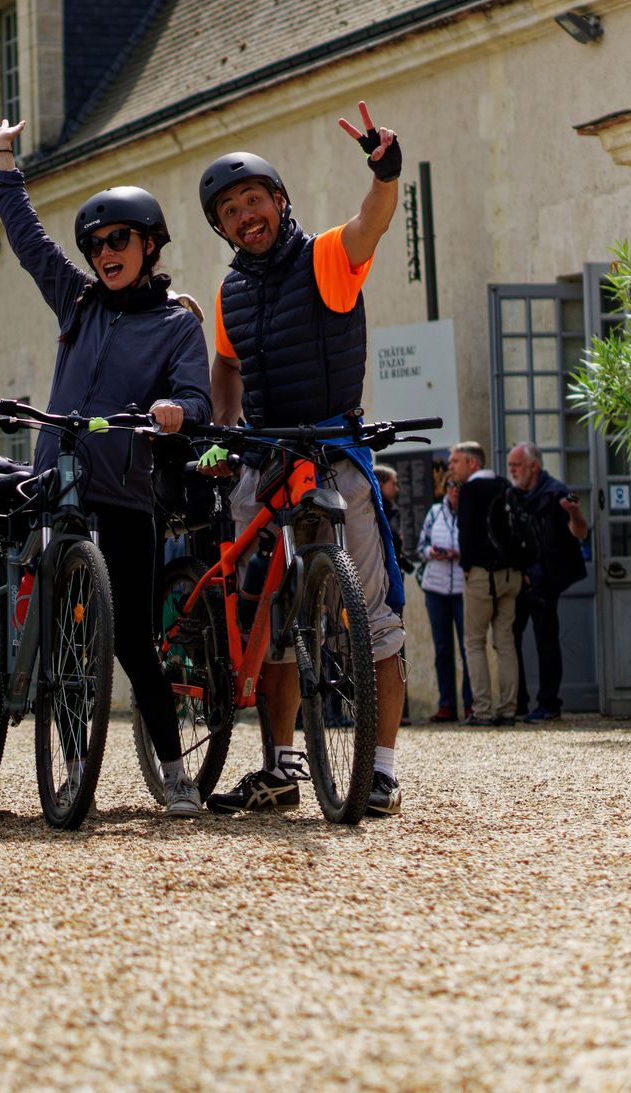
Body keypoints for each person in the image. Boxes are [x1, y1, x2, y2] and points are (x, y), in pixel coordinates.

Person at [0, 119, 214, 816]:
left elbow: (197, 393)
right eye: (97, 243)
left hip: (127, 491)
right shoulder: (78, 302)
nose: (106, 251)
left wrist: (176, 407)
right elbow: (27, 241)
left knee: (135, 640)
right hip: (60, 483)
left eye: (119, 240)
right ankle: (72, 759)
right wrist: (2, 162)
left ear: (149, 246)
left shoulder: (176, 323)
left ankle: (174, 771)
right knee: (59, 636)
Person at [199, 101, 411, 816]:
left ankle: (379, 770)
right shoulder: (230, 289)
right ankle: (281, 767)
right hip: (264, 458)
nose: (244, 215)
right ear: (222, 226)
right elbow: (226, 367)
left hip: (331, 451)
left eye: (253, 199)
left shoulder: (325, 256)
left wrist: (385, 171)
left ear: (279, 201)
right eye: (229, 209)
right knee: (271, 621)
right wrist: (223, 432)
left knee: (374, 620)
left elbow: (370, 223)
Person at [505, 442, 590, 721]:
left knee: (546, 641)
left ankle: (549, 704)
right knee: (510, 637)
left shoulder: (556, 493)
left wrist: (574, 513)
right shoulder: (513, 496)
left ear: (534, 466)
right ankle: (518, 701)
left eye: (517, 465)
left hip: (547, 580)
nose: (512, 470)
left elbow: (579, 533)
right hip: (521, 578)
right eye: (511, 465)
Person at [451, 442, 519, 725]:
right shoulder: (505, 484)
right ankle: (508, 710)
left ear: (472, 463)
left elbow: (466, 534)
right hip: (511, 574)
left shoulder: (470, 490)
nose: (451, 467)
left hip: (481, 574)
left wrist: (466, 567)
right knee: (505, 642)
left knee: (474, 642)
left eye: (455, 461)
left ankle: (481, 710)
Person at [417, 480, 470, 722]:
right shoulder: (435, 512)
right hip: (436, 588)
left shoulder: (469, 512)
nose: (454, 490)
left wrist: (457, 552)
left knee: (468, 648)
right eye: (450, 485)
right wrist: (433, 553)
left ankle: (471, 704)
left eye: (458, 486)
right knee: (442, 649)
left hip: (462, 588)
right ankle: (447, 704)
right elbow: (421, 547)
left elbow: (473, 545)